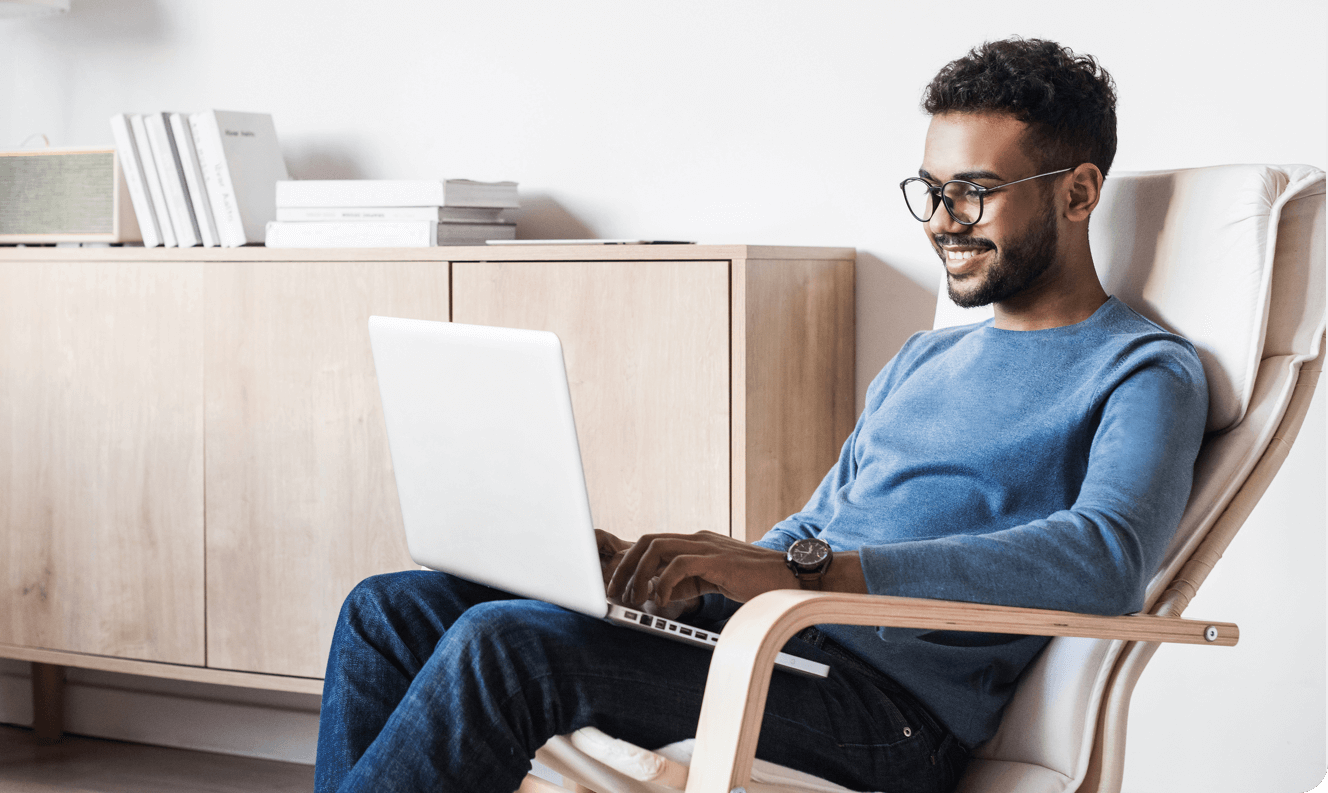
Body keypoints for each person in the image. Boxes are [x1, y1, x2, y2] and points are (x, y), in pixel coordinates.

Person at [313, 38, 1209, 793]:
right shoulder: (927, 355)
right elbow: (818, 525)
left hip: (889, 713)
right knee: (389, 609)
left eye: (974, 190)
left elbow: (1104, 561)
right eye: (929, 189)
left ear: (1079, 192)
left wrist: (813, 573)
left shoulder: (1142, 368)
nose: (941, 220)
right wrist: (676, 576)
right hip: (774, 645)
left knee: (505, 647)